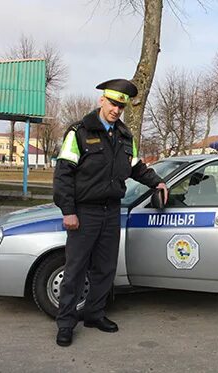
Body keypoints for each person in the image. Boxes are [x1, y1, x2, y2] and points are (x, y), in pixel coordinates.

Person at [53, 78, 168, 347]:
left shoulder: (125, 136)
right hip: (84, 212)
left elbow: (136, 167)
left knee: (105, 268)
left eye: (121, 106)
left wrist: (158, 182)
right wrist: (68, 210)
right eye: (113, 103)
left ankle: (94, 314)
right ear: (101, 100)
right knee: (75, 270)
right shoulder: (79, 132)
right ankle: (66, 324)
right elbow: (63, 175)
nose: (116, 109)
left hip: (111, 212)